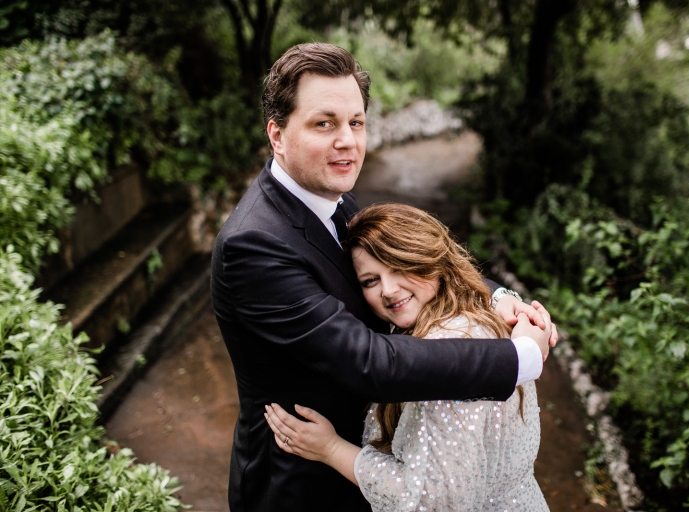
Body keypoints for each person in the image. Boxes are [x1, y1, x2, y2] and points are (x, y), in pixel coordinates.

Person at [210, 42, 557, 512]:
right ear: (277, 135)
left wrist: (497, 299)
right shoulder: (253, 244)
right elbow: (369, 361)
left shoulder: (334, 198)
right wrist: (517, 359)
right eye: (324, 123)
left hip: (370, 464)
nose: (347, 141)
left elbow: (416, 258)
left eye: (356, 122)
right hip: (302, 485)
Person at [264, 203, 549, 511]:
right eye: (370, 281)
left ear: (430, 260)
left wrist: (331, 449)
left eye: (399, 267)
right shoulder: (478, 314)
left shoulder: (442, 354)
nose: (388, 289)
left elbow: (431, 500)